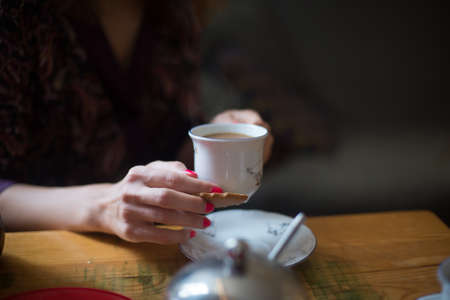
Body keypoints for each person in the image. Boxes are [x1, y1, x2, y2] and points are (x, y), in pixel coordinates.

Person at [0, 0, 273, 244]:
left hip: (159, 246)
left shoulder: (174, 11)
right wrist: (103, 207)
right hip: (44, 253)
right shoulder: (17, 14)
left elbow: (170, 151)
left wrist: (221, 145)